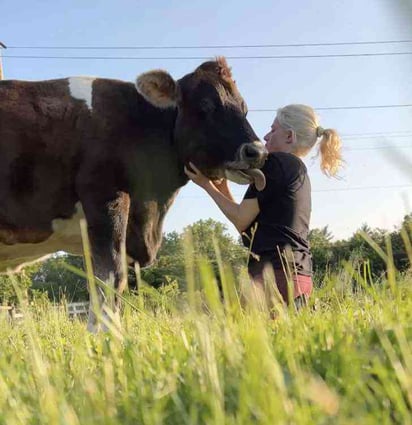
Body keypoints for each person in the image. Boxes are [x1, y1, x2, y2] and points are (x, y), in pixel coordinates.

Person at [184, 104, 342, 308]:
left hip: (273, 276)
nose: (266, 137)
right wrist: (223, 190)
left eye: (273, 129)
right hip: (300, 277)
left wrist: (205, 185)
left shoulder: (274, 163)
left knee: (233, 332)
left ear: (289, 136)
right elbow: (246, 225)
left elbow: (240, 218)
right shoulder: (298, 172)